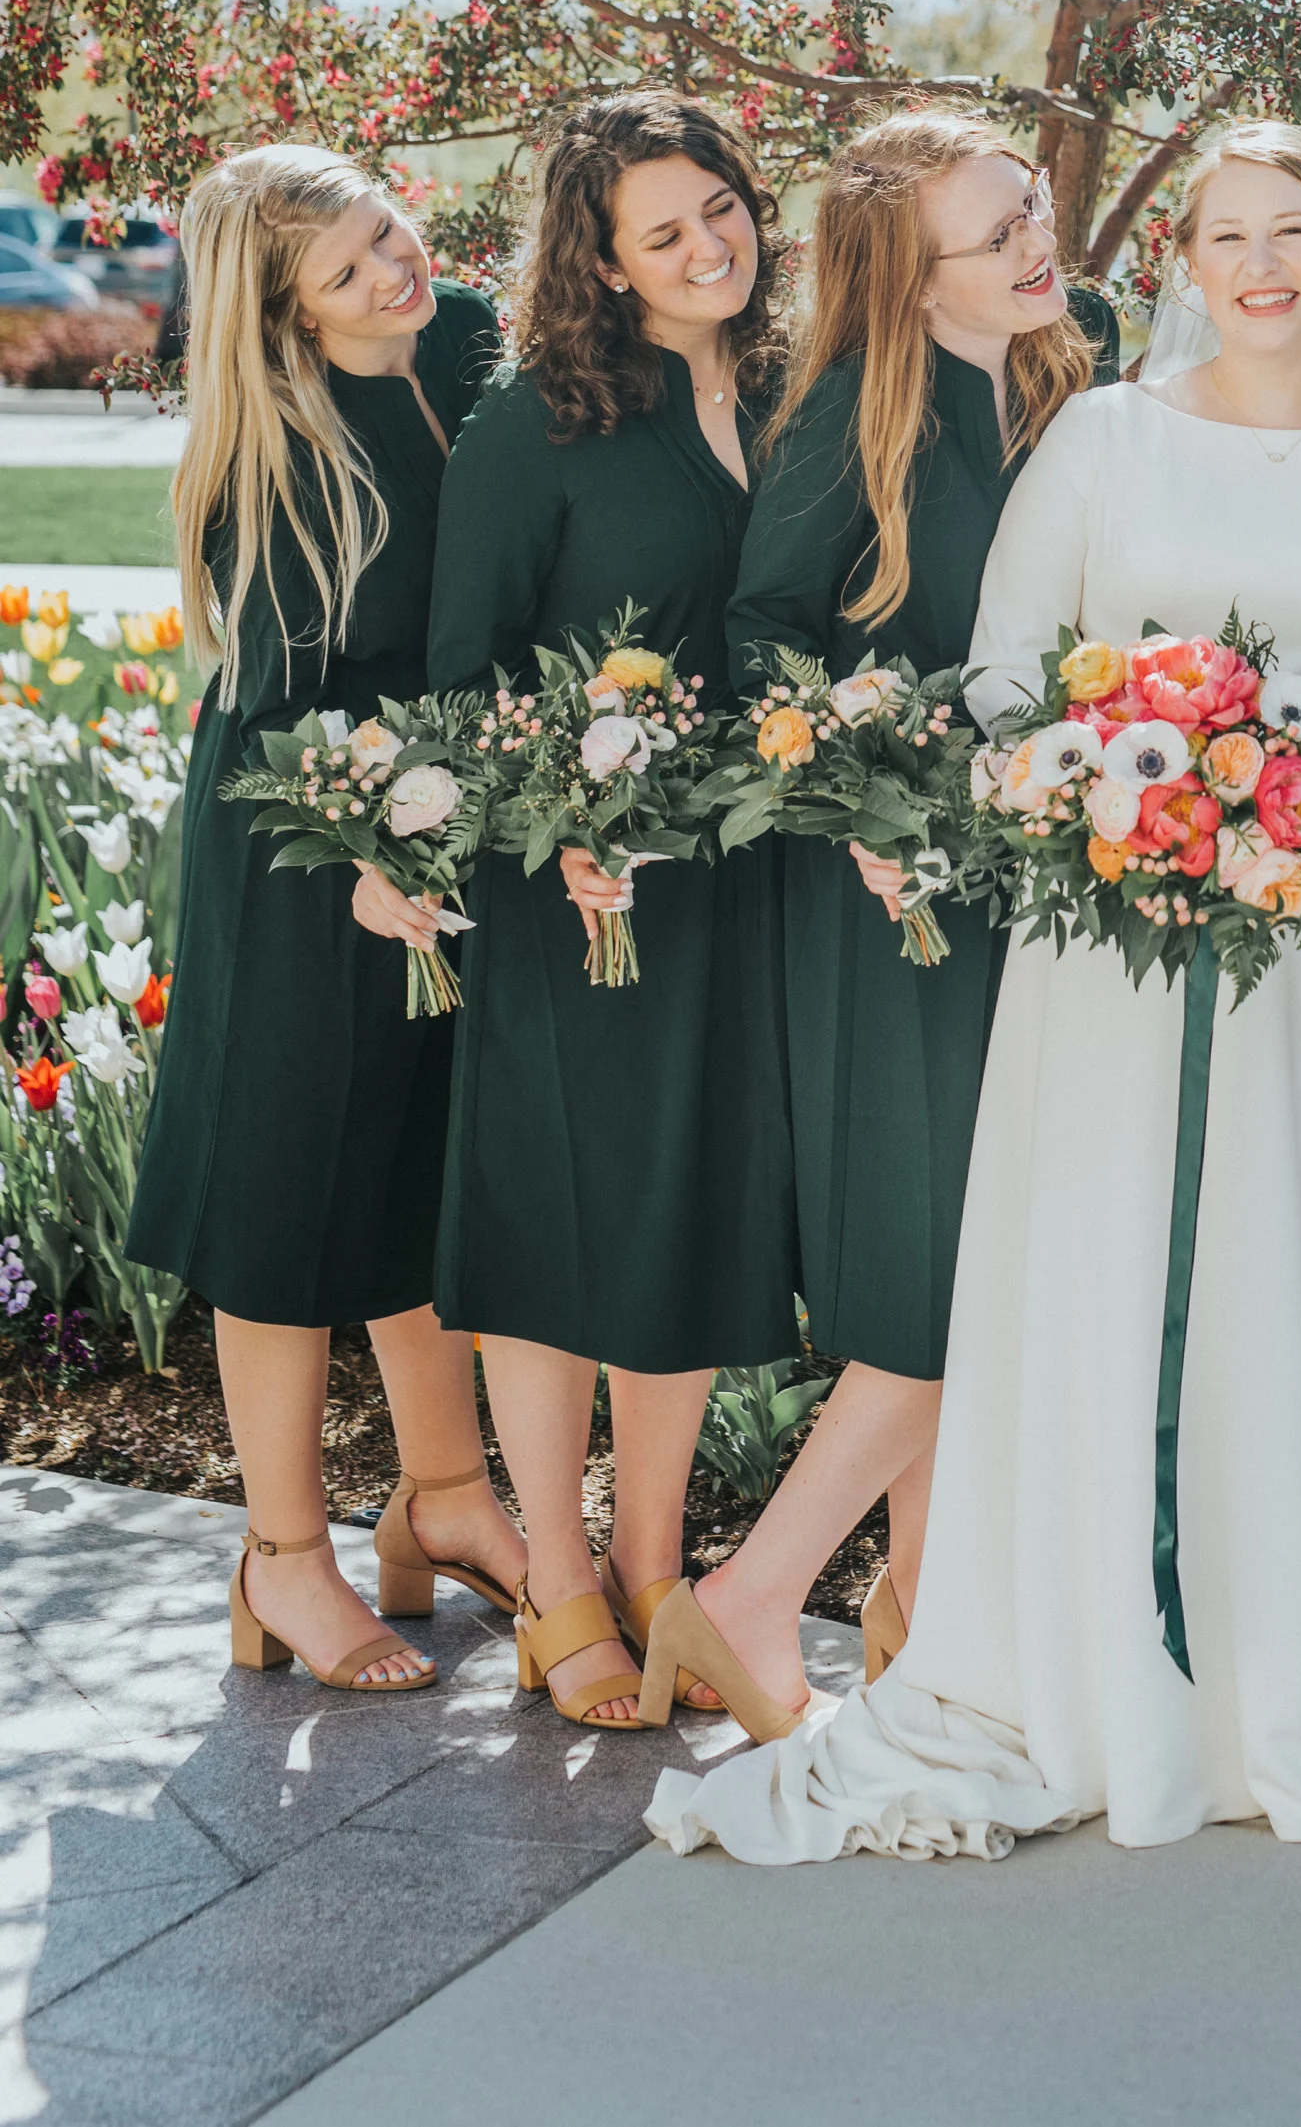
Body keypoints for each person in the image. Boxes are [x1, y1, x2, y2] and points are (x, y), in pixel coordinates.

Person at [648, 120, 1301, 1860]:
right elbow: (1001, 683)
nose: (1264, 261)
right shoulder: (1105, 433)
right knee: (1110, 1278)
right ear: (1187, 266)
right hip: (1109, 947)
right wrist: (1134, 800)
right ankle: (1099, 1671)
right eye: (1227, 234)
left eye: (1297, 226)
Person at [641, 114, 1118, 1734]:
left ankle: (919, 1622)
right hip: (890, 890)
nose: (1037, 246)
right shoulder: (856, 405)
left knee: (1004, 1253)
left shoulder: (1083, 358)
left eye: (1033, 209)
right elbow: (767, 628)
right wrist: (877, 782)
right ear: (911, 287)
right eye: (996, 239)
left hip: (1056, 878)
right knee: (942, 1268)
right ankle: (749, 1599)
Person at [428, 94, 798, 1731]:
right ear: (599, 258)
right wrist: (551, 833)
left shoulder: (801, 389)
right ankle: (558, 1579)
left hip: (751, 882)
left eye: (719, 206)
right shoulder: (540, 425)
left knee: (693, 1214)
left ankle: (659, 1566)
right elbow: (463, 678)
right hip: (575, 899)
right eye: (664, 230)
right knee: (564, 1226)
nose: (708, 245)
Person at [129, 150, 522, 1694]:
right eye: (348, 271)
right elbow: (289, 704)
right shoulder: (274, 453)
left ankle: (443, 1502)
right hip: (306, 846)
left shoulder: (475, 342)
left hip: (451, 831)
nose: (391, 276)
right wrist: (364, 846)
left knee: (429, 1173)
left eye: (390, 235)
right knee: (289, 1198)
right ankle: (282, 1557)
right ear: (283, 310)